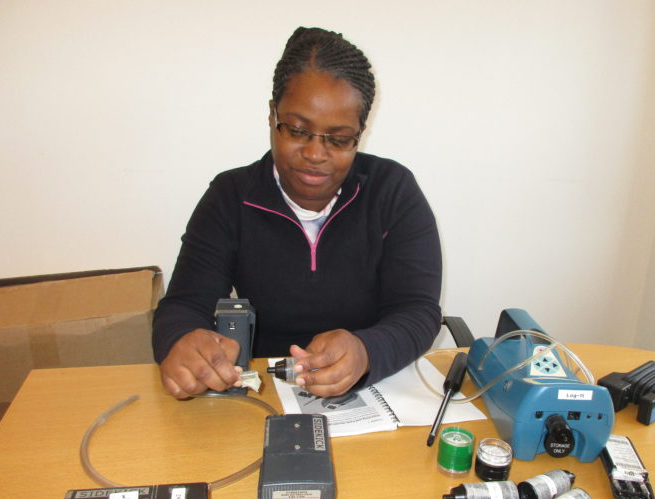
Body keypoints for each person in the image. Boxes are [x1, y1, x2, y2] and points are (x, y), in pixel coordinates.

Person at [152, 27, 442, 400]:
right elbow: (184, 305)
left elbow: (418, 311)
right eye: (297, 130)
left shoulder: (393, 191)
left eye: (339, 139)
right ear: (272, 115)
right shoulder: (231, 197)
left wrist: (366, 351)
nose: (315, 154)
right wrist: (182, 341)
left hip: (375, 390)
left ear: (360, 133)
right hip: (264, 388)